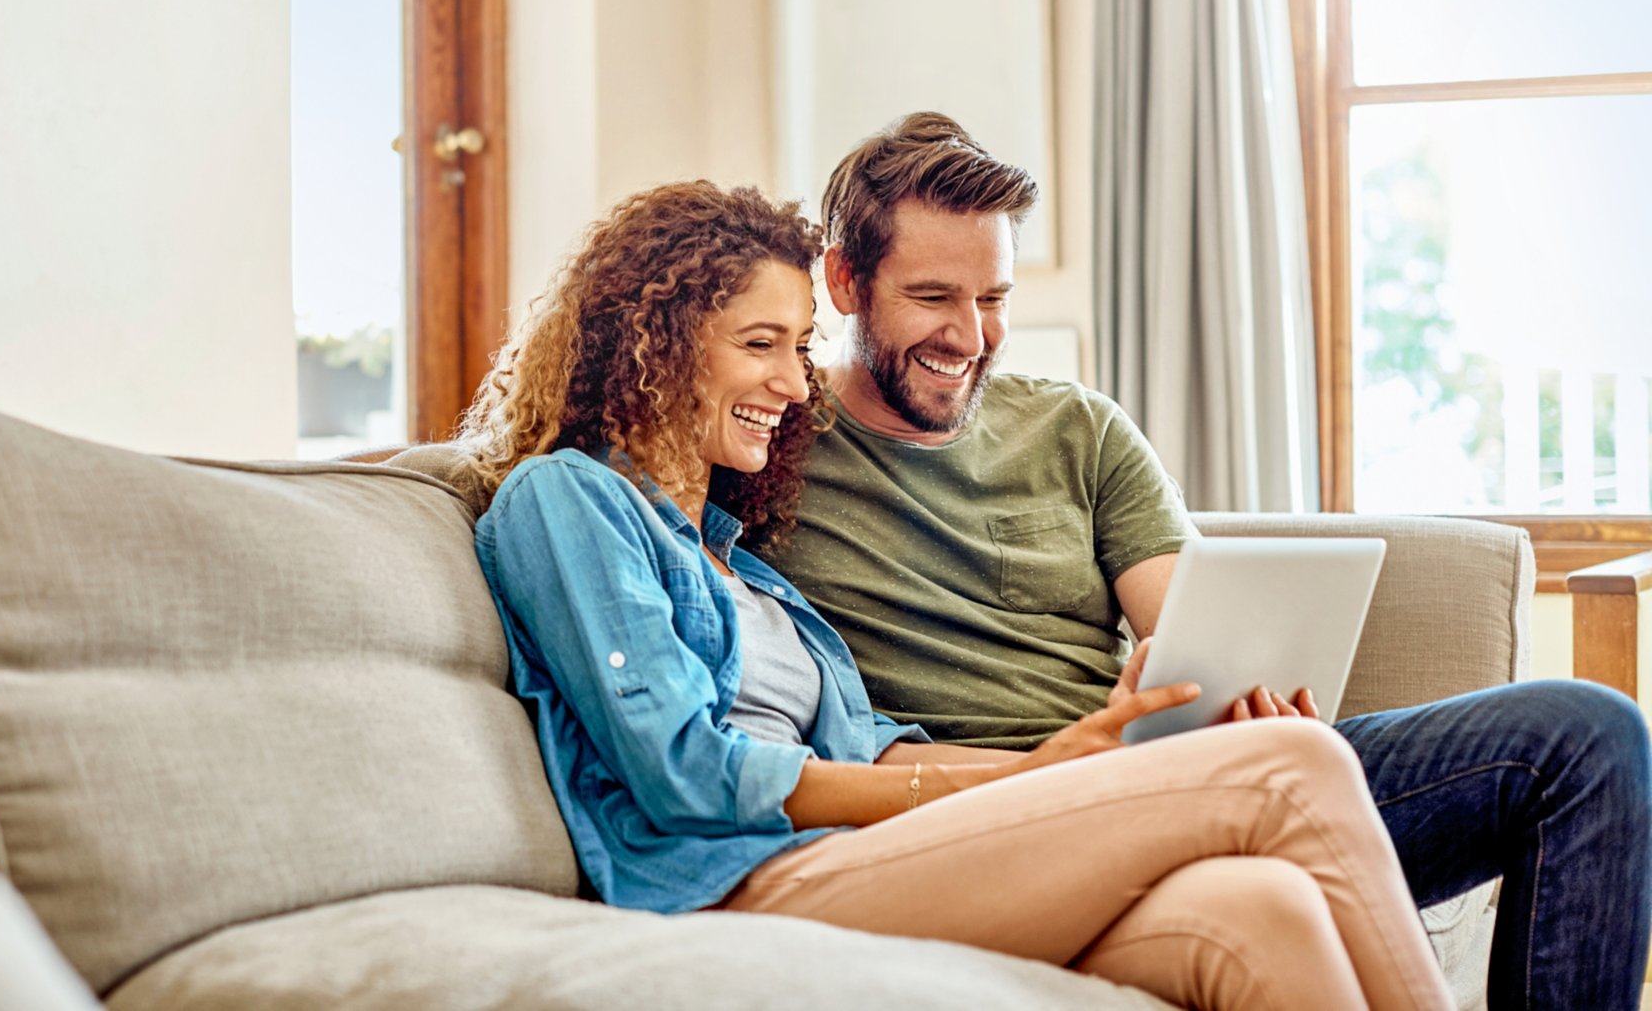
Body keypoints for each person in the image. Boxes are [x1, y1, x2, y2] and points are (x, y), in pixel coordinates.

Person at [457, 179, 1455, 1011]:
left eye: (798, 349)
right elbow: (685, 772)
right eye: (758, 345)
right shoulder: (568, 501)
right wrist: (991, 787)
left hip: (848, 856)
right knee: (1286, 760)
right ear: (658, 340)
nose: (795, 386)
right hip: (726, 887)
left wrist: (1065, 762)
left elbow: (871, 747)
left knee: (1263, 909)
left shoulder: (743, 562)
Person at [765, 111, 1652, 1011]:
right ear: (845, 280)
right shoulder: (766, 458)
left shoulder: (1076, 429)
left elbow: (1195, 631)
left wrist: (1249, 693)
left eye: (992, 298)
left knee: (1588, 736)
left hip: (1193, 773)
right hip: (1009, 819)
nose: (969, 335)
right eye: (932, 297)